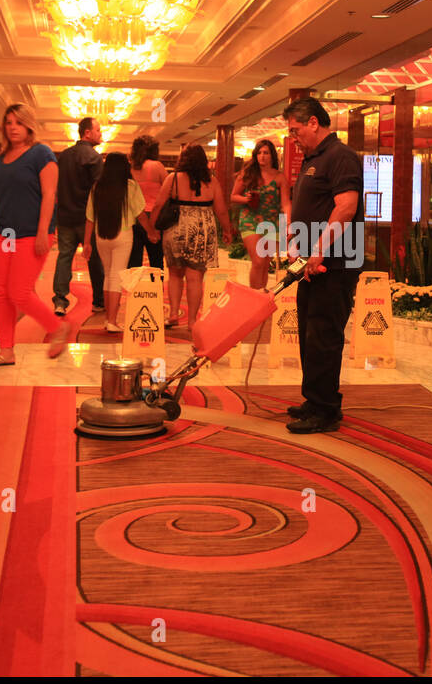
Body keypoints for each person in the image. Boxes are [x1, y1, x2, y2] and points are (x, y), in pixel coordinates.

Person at [281, 98, 364, 435]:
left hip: (336, 262)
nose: (293, 138)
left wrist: (318, 250)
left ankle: (326, 410)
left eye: (296, 130)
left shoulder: (341, 156)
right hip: (312, 262)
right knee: (310, 333)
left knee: (325, 335)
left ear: (314, 122)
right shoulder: (314, 159)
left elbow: (345, 208)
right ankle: (314, 400)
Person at [0, 103, 69, 368]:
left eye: (18, 122)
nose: (13, 127)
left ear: (28, 124)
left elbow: (50, 195)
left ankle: (57, 328)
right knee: (3, 294)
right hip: (4, 233)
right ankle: (6, 351)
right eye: (8, 122)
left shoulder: (41, 154)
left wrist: (44, 231)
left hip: (32, 233)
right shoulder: (2, 157)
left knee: (19, 293)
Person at [150, 143, 233, 331]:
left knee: (175, 274)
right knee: (195, 278)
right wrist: (228, 230)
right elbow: (220, 210)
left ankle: (173, 314)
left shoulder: (173, 179)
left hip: (176, 229)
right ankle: (192, 321)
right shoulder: (212, 181)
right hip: (202, 230)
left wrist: (152, 229)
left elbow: (158, 205)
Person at [84, 153, 152, 332]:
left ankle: (108, 319)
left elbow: (90, 217)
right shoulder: (130, 187)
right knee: (116, 276)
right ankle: (112, 321)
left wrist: (87, 243)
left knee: (108, 275)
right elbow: (140, 214)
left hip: (101, 236)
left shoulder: (97, 187)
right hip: (123, 235)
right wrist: (151, 232)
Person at [52, 117, 104, 317]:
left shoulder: (63, 157)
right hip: (87, 219)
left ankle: (60, 300)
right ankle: (98, 301)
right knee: (94, 259)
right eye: (98, 130)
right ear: (87, 133)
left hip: (65, 216)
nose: (101, 134)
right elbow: (98, 192)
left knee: (64, 257)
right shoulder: (94, 158)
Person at [231, 138, 291, 289]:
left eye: (266, 153)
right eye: (259, 153)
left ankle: (261, 294)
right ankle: (254, 297)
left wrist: (289, 222)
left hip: (272, 223)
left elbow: (285, 203)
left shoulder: (279, 177)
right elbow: (233, 196)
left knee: (265, 263)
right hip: (250, 220)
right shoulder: (248, 174)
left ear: (272, 156)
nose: (262, 156)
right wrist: (246, 199)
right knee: (258, 261)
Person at [129, 135, 167, 270]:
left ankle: (134, 290)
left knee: (134, 262)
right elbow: (169, 190)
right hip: (154, 217)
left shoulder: (131, 168)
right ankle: (157, 289)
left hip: (134, 218)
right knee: (156, 262)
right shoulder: (157, 166)